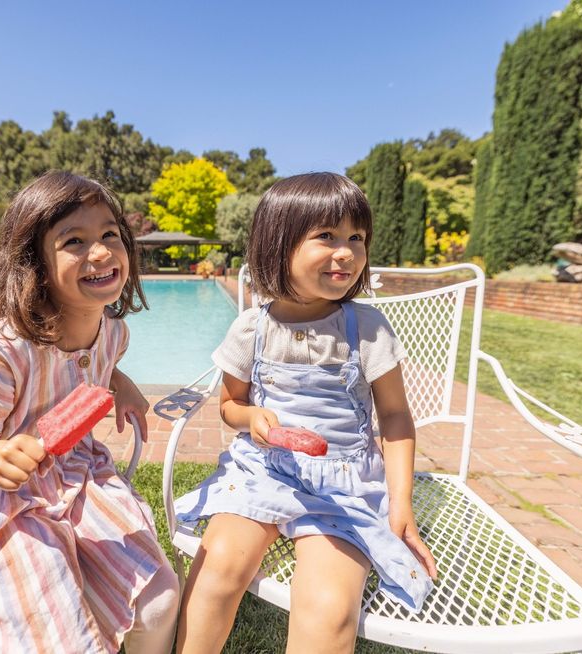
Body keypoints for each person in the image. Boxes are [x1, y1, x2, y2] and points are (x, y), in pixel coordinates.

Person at [0, 171, 179, 654]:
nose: (100, 252)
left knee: (158, 601)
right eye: (75, 240)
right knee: (56, 632)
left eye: (110, 234)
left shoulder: (112, 332)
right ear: (36, 263)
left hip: (78, 475)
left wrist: (121, 381)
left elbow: (97, 361)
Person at [175, 172, 438, 653]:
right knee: (218, 572)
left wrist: (401, 506)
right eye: (327, 236)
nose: (347, 251)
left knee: (329, 607)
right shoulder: (252, 329)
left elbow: (396, 418)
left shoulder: (367, 328)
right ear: (279, 245)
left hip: (344, 482)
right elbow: (230, 405)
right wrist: (251, 419)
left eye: (356, 237)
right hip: (265, 469)